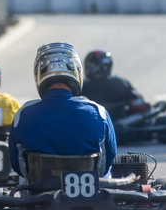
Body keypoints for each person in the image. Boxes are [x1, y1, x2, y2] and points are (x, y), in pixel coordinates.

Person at [8, 42, 117, 179]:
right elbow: (106, 165)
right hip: (88, 197)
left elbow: (17, 166)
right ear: (77, 71)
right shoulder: (99, 113)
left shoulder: (22, 115)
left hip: (37, 196)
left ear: (39, 73)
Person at [80, 49, 148, 120]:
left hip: (89, 125)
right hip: (122, 125)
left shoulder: (81, 86)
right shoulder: (121, 83)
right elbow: (139, 105)